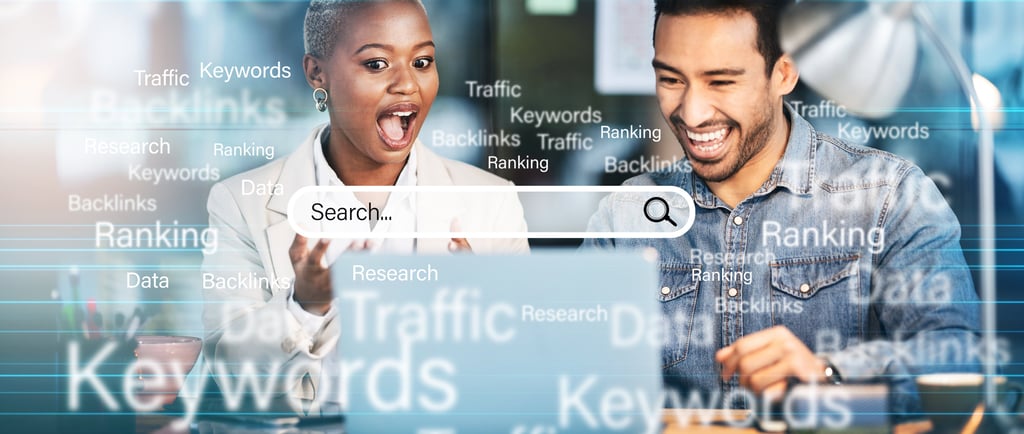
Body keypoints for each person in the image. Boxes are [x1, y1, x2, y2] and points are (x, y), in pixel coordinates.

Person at [584, 0, 979, 416]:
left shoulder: (890, 197)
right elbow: (566, 373)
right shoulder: (627, 216)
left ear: (784, 74)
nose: (692, 113)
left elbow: (958, 358)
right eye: (670, 79)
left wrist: (829, 374)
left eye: (721, 82)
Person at [201, 0, 528, 406]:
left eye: (423, 62)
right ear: (316, 73)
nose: (407, 84)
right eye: (376, 64)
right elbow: (229, 372)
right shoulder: (240, 203)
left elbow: (524, 381)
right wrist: (304, 307)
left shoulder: (492, 203)